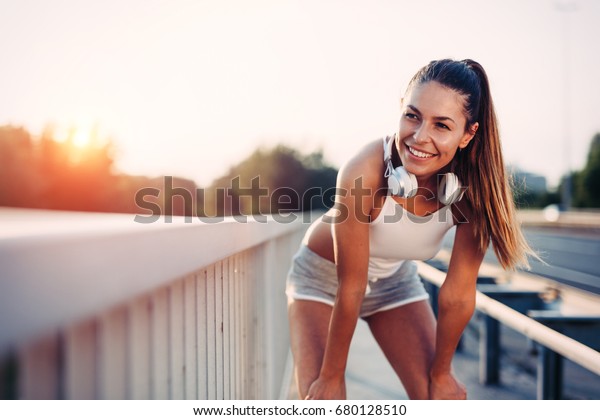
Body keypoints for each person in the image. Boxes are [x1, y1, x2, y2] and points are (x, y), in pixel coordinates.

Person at [285, 58, 537, 400]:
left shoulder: (473, 192)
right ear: (400, 109)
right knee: (324, 403)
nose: (420, 137)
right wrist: (332, 375)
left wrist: (442, 373)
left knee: (438, 400)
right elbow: (352, 285)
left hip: (394, 280)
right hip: (323, 277)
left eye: (442, 126)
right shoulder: (364, 170)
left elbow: (458, 294)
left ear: (468, 134)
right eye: (413, 116)